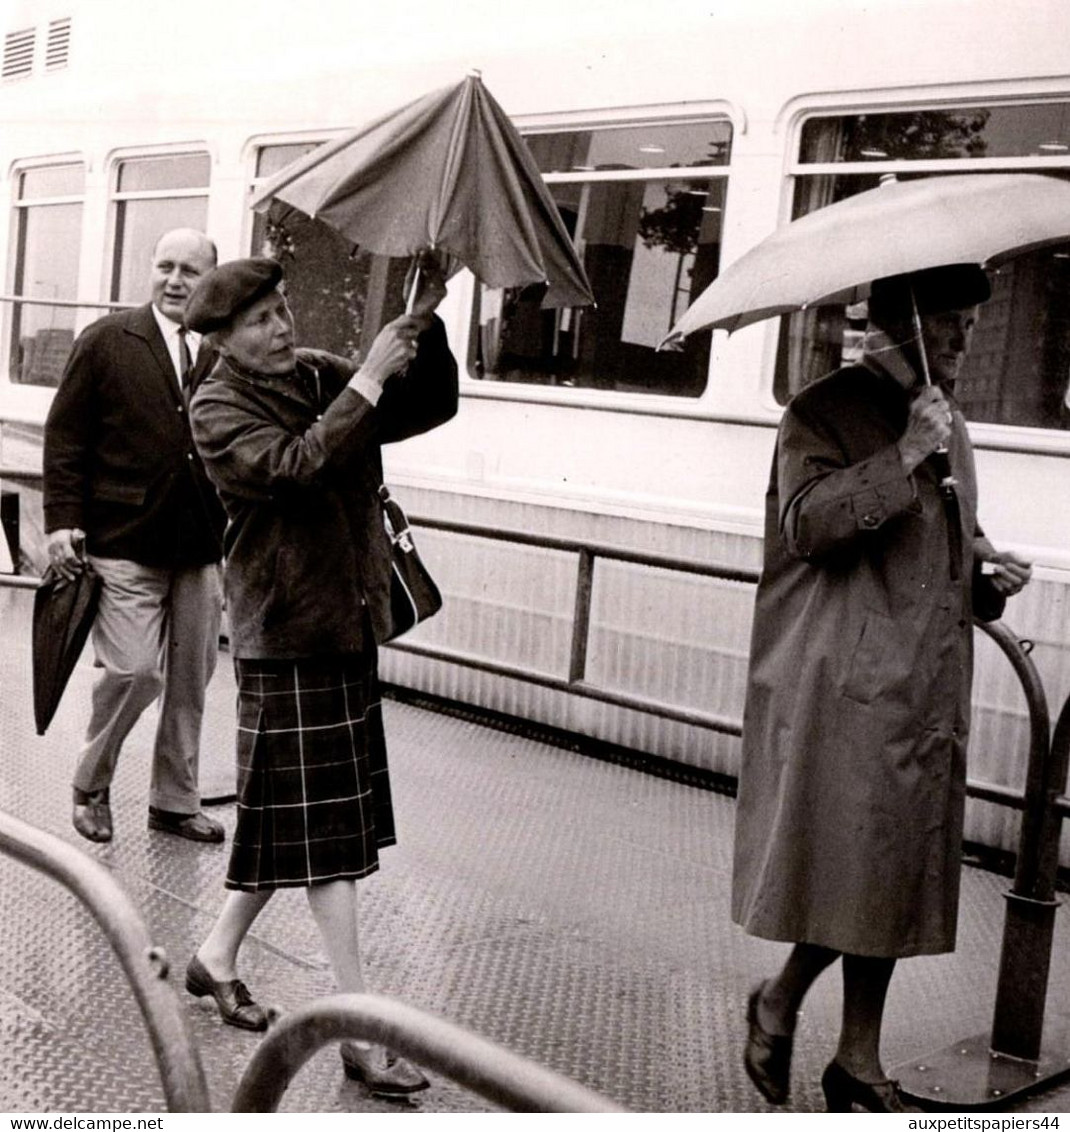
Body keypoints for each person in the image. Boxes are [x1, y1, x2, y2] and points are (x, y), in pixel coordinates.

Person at [732, 264, 1032, 1113]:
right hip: (847, 686)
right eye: (949, 326)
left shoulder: (951, 425)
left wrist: (986, 574)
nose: (964, 344)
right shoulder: (821, 411)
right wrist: (903, 453)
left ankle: (854, 1060)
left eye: (972, 328)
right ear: (901, 321)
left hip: (924, 688)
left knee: (890, 875)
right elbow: (806, 526)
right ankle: (787, 1005)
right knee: (856, 868)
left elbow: (948, 541)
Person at [184, 254, 457, 1097]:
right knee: (327, 841)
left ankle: (213, 957)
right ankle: (355, 1025)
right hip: (287, 632)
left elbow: (425, 406)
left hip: (344, 620)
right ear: (224, 339)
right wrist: (368, 379)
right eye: (261, 319)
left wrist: (424, 323)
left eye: (282, 308)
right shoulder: (216, 406)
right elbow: (293, 467)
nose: (282, 326)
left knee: (290, 818)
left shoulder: (317, 373)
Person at [44, 228, 227, 845]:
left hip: (202, 542)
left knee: (190, 681)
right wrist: (61, 521)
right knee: (132, 672)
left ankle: (174, 802)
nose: (176, 281)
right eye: (165, 266)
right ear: (149, 271)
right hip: (121, 537)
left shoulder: (226, 350)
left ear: (212, 282)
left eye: (191, 271)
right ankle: (91, 783)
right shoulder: (106, 341)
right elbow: (65, 437)